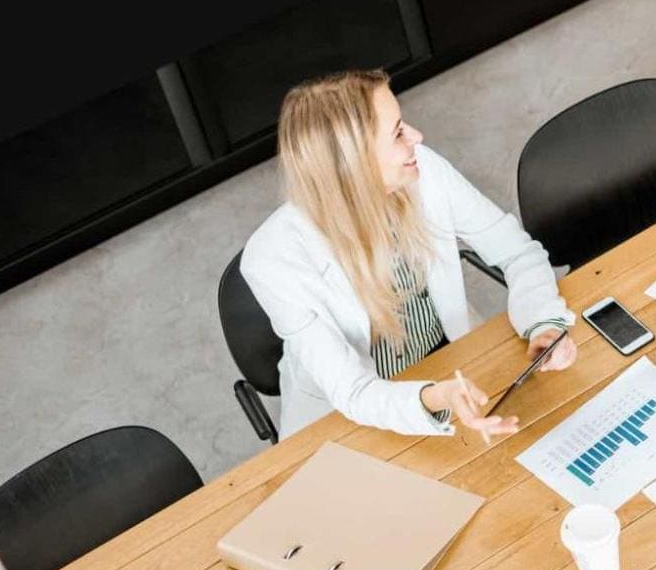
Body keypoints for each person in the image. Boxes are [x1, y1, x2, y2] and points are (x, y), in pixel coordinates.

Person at [241, 70, 577, 439]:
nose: (417, 137)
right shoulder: (272, 259)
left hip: (452, 365)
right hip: (344, 421)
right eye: (398, 132)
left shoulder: (422, 168)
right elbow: (355, 392)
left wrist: (543, 323)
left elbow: (517, 252)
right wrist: (436, 396)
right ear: (352, 164)